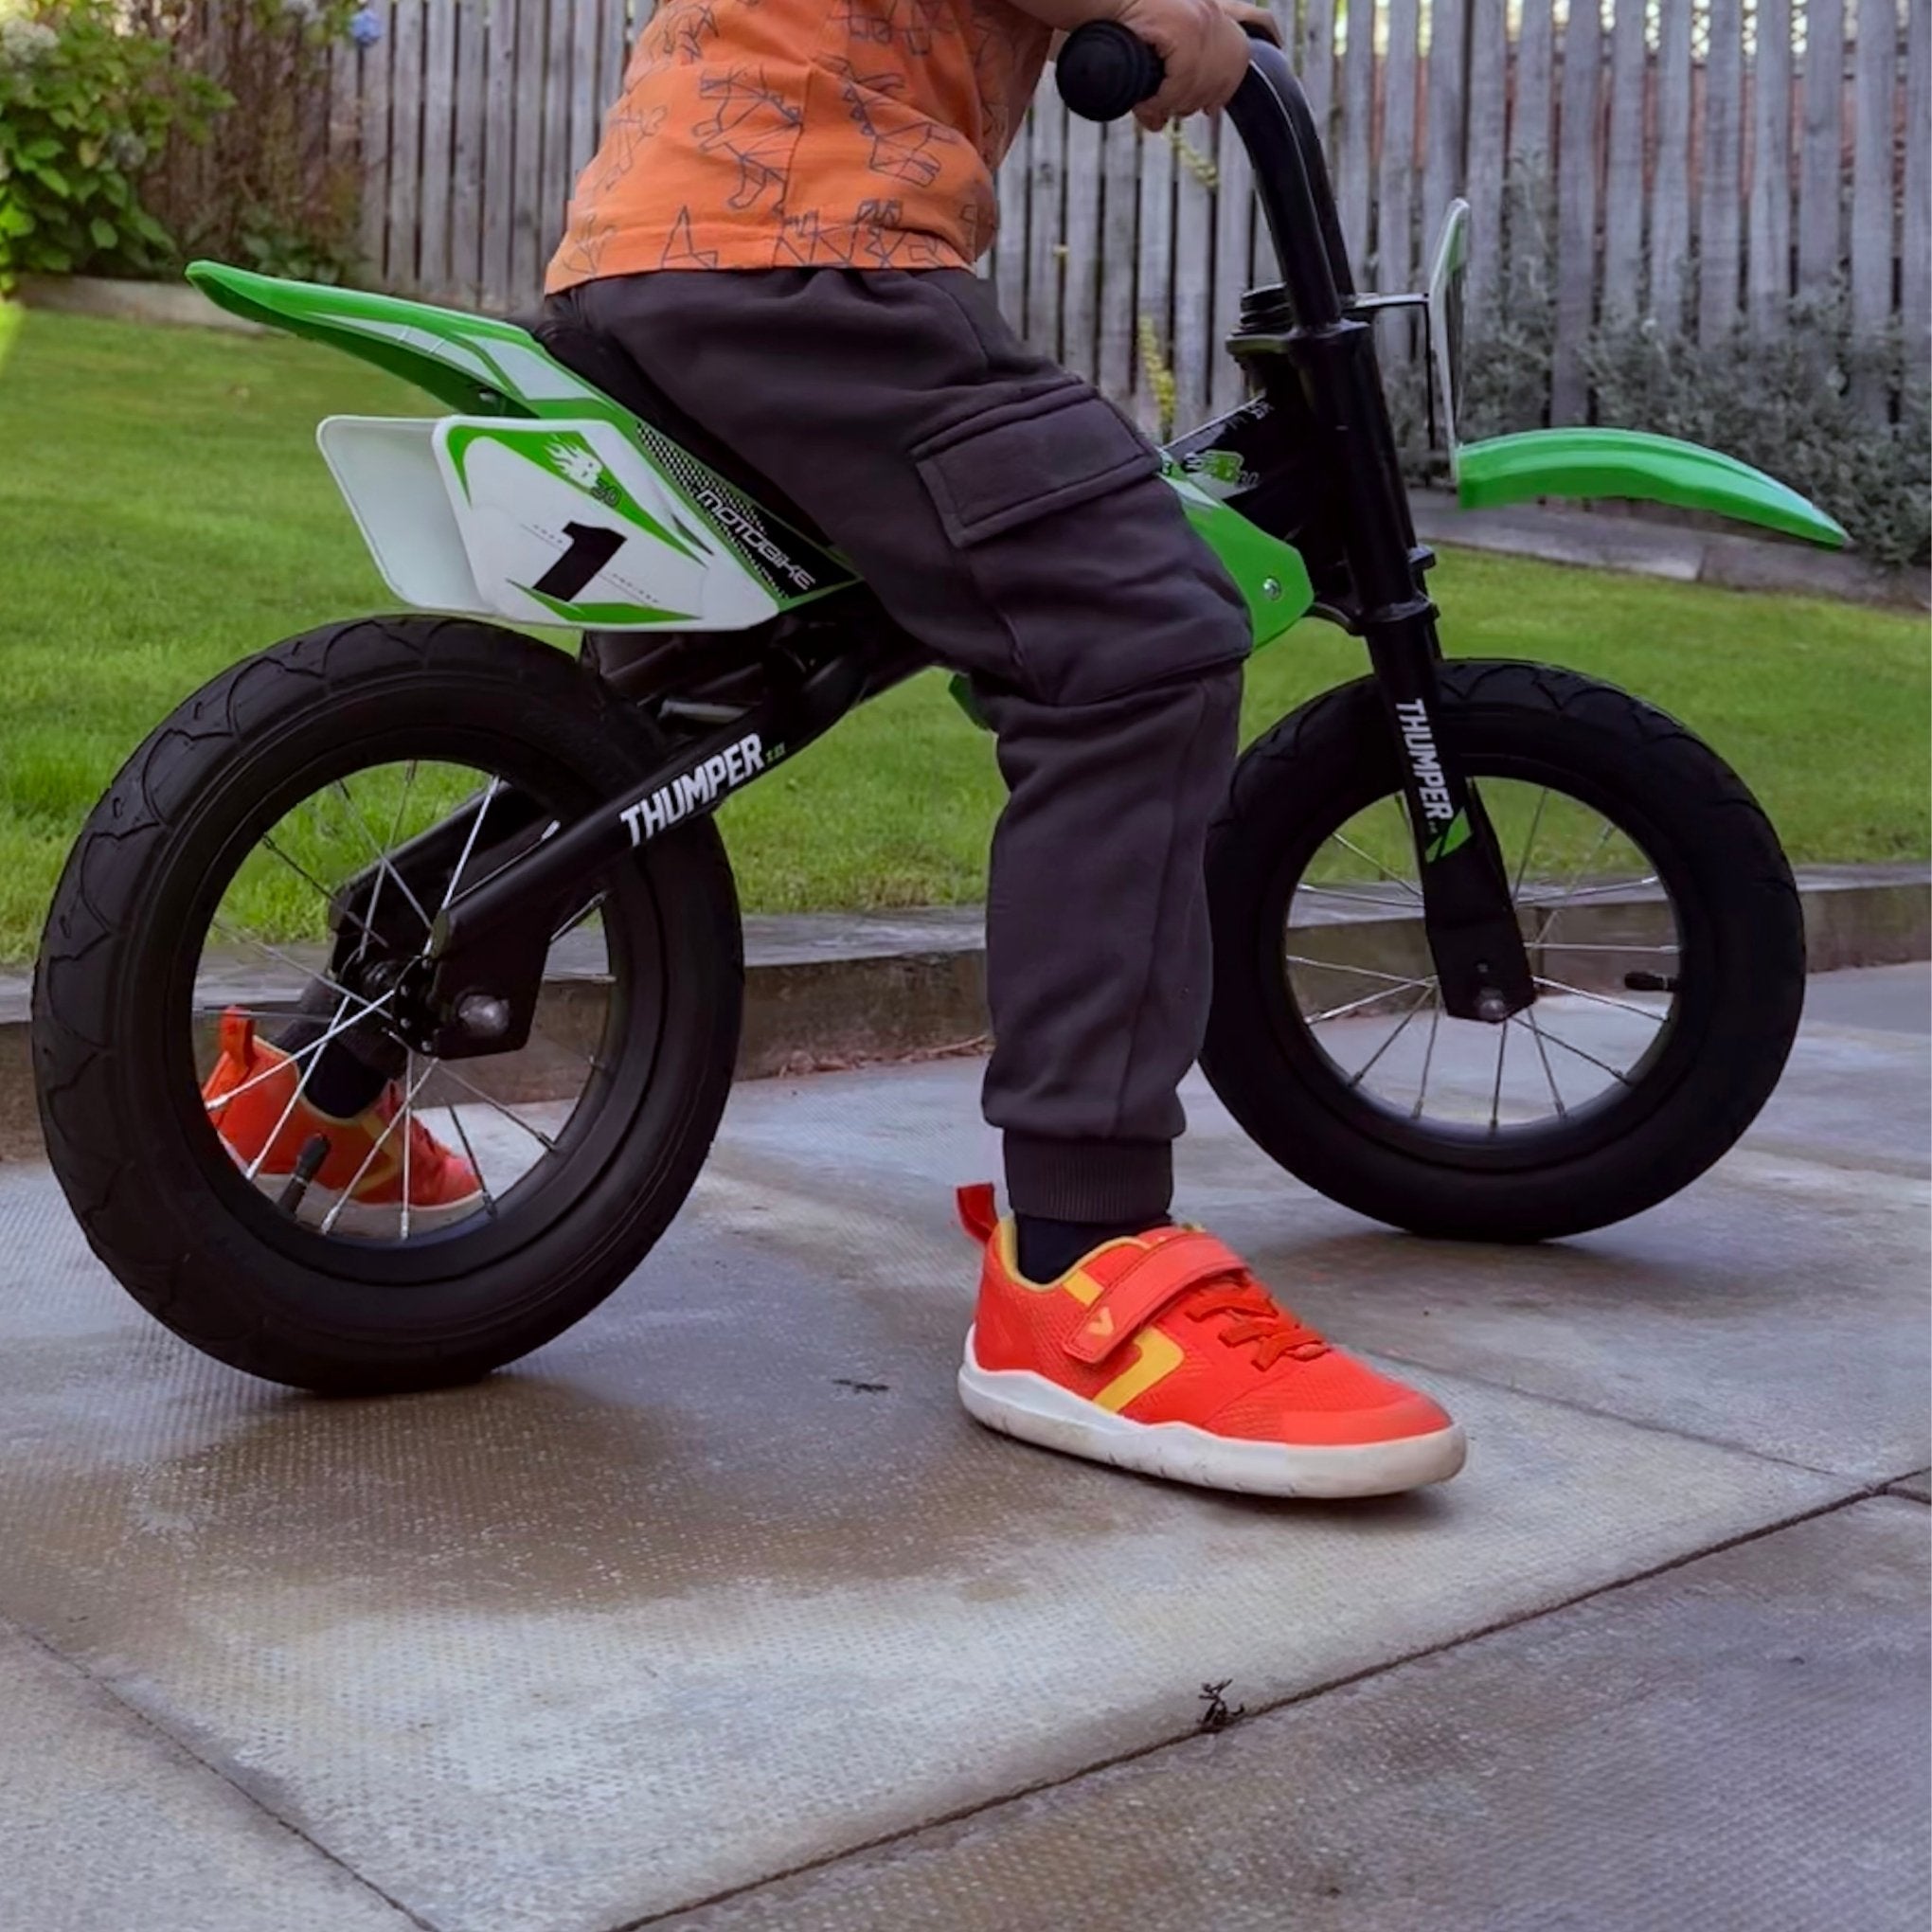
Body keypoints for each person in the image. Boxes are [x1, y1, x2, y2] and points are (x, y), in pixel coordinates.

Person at [206, 0, 1465, 1500]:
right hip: (800, 260)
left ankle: (311, 1084)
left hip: (657, 264)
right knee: (1139, 639)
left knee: (666, 734)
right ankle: (1084, 1265)